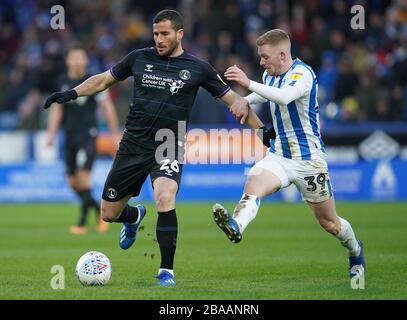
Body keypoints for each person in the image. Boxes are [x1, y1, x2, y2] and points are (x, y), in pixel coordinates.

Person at [43, 9, 264, 286]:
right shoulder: (138, 58)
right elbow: (101, 80)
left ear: (179, 34)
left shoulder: (199, 68)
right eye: (156, 33)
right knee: (108, 213)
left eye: (165, 34)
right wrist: (71, 93)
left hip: (168, 142)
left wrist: (263, 132)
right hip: (133, 142)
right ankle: (134, 216)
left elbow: (235, 101)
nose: (159, 39)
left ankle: (166, 271)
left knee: (164, 196)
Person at [213, 29, 366, 280]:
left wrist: (247, 83)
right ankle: (236, 225)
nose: (262, 62)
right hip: (279, 155)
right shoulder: (269, 74)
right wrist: (246, 100)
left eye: (265, 57)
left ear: (282, 55)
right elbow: (266, 91)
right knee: (254, 182)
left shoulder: (303, 74)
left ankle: (355, 250)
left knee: (330, 224)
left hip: (309, 161)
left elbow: (284, 97)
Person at [45, 45, 120, 235]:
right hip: (69, 135)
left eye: (81, 58)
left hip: (89, 134)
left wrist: (114, 134)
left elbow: (107, 107)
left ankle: (81, 223)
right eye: (74, 58)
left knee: (83, 177)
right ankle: (99, 213)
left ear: (86, 60)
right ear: (68, 61)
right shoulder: (62, 81)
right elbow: (57, 109)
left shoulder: (94, 81)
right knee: (72, 181)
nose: (77, 61)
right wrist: (51, 134)